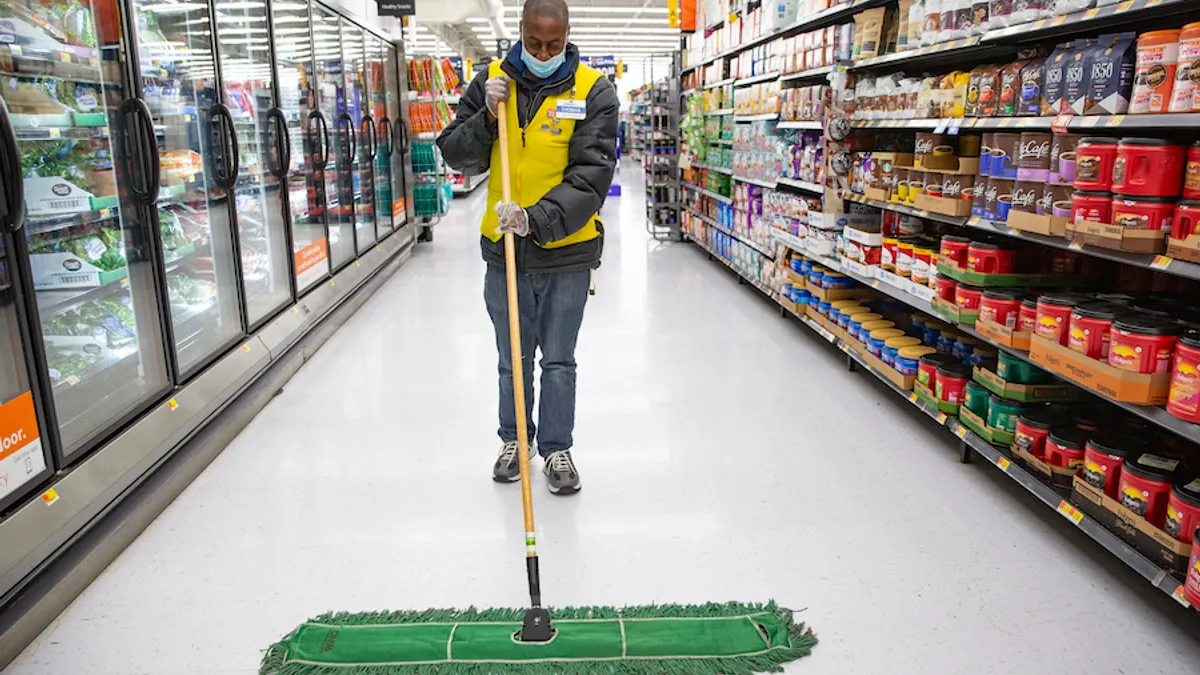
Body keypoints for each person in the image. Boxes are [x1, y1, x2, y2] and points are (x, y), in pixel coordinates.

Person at [436, 0, 619, 495]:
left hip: (567, 250)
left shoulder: (594, 91)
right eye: (534, 43)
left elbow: (591, 176)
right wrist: (487, 121)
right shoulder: (491, 80)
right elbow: (455, 152)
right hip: (505, 251)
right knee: (511, 358)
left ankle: (558, 448)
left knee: (558, 359)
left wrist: (534, 220)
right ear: (520, 33)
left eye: (554, 44)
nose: (543, 52)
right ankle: (516, 439)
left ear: (566, 36)